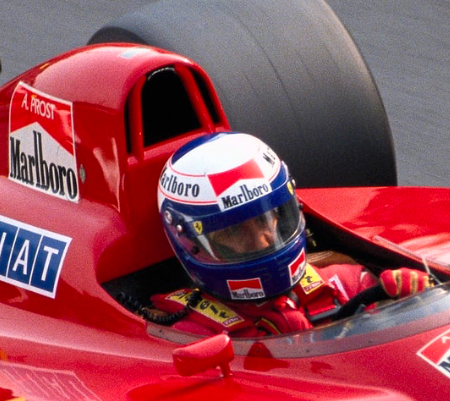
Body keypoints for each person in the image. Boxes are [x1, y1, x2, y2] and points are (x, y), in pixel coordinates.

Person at [151, 131, 428, 338]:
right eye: (234, 231)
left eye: (264, 219)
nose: (262, 239)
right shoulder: (189, 334)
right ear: (191, 243)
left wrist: (415, 308)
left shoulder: (344, 281)